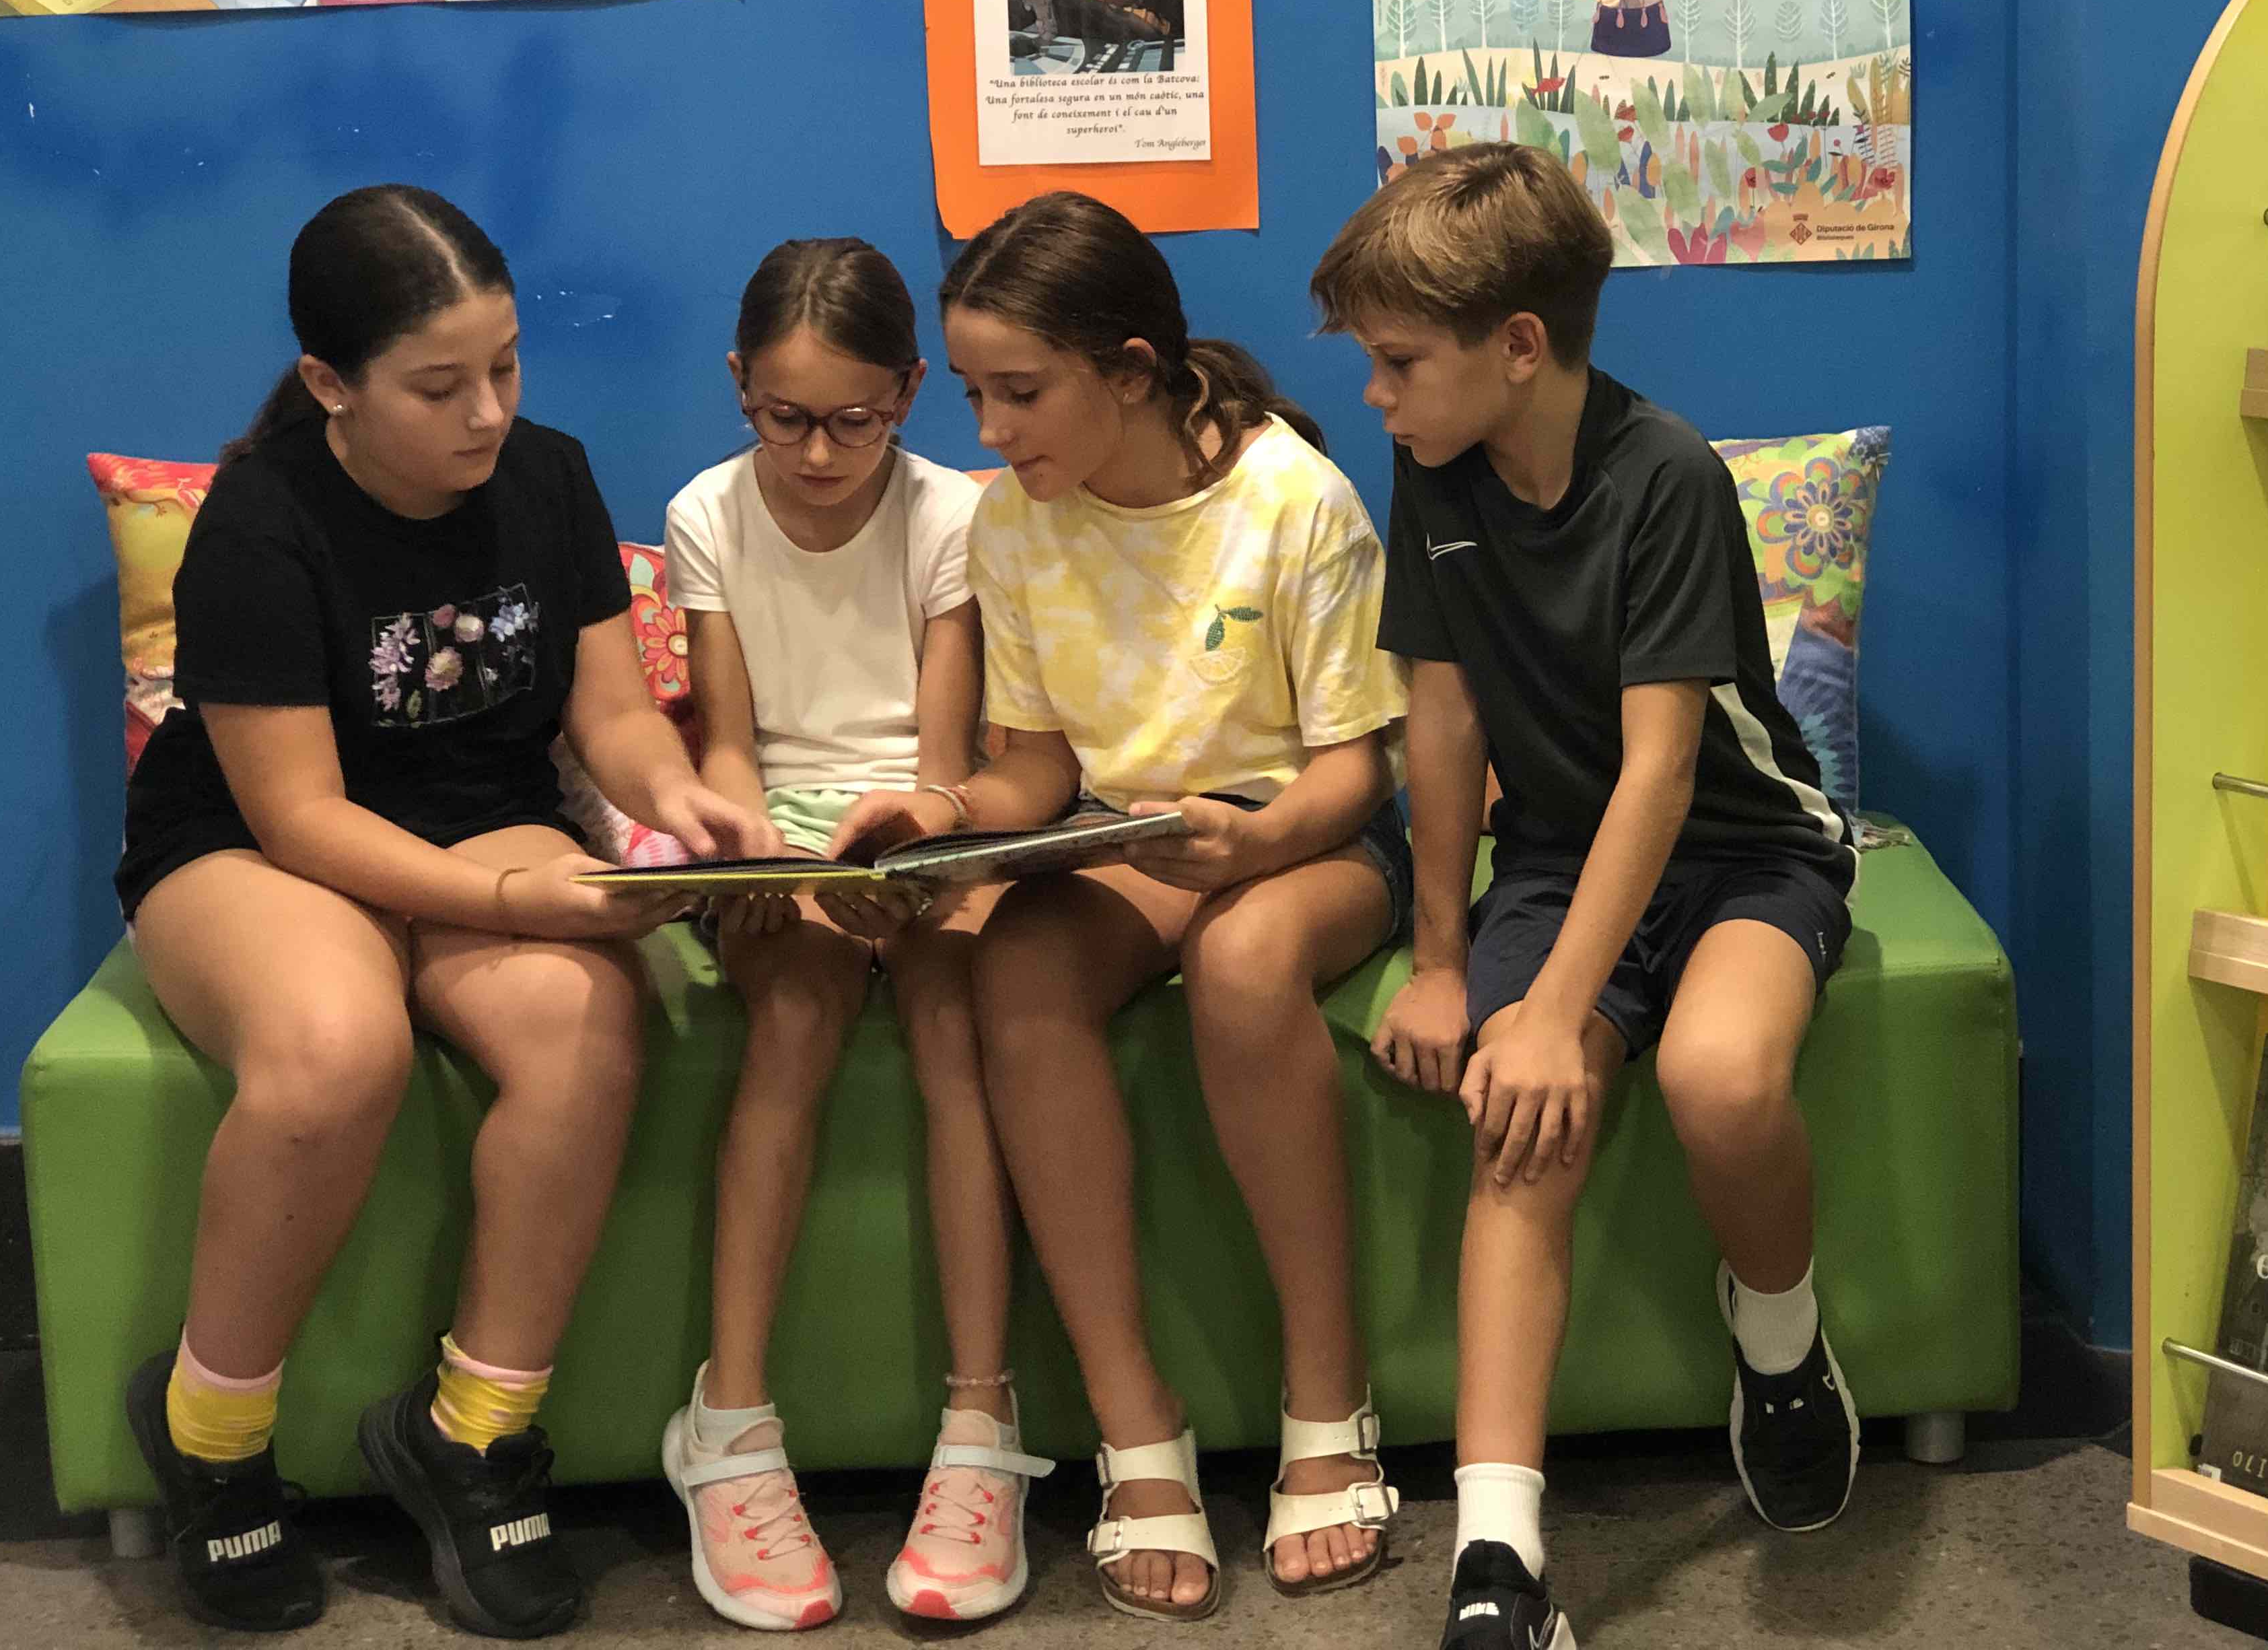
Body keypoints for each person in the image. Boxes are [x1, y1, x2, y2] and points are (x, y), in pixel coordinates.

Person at [116, 184, 773, 1637]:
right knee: (336, 1048)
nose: (487, 412)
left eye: (506, 366)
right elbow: (301, 816)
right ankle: (213, 1435)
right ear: (330, 384)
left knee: (588, 1022)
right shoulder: (261, 522)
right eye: (438, 386)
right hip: (258, 845)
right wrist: (515, 892)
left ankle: (471, 1435)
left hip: (478, 814)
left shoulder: (549, 476)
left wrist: (679, 800)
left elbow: (611, 714)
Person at [1307, 141, 1862, 1650]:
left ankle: (1781, 1341)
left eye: (1400, 363)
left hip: (1744, 848)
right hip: (1556, 859)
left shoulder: (1664, 474)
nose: (1378, 396)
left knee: (1717, 1077)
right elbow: (1442, 716)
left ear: (1518, 345)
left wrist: (1558, 1012)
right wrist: (1443, 960)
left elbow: (1666, 772)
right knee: (1515, 1120)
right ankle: (1499, 1557)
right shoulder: (1435, 468)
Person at [837, 191, 1412, 1621]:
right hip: (1131, 840)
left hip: (1308, 838)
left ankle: (1327, 1399)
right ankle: (1134, 1425)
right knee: (1015, 972)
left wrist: (1258, 842)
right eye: (973, 393)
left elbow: (1358, 765)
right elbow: (1037, 770)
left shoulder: (1293, 500)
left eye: (1021, 392)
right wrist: (942, 820)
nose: (988, 430)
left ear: (1134, 372)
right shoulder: (1013, 525)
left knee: (1248, 958)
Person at [656, 238, 1046, 1630]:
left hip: (922, 822)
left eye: (857, 421)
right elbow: (729, 745)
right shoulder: (707, 512)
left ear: (912, 392)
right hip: (777, 831)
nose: (820, 454)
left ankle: (980, 1425)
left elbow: (945, 758)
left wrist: (911, 862)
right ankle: (730, 1422)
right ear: (738, 387)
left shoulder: (951, 514)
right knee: (797, 1009)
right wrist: (761, 853)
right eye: (786, 418)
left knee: (952, 1016)